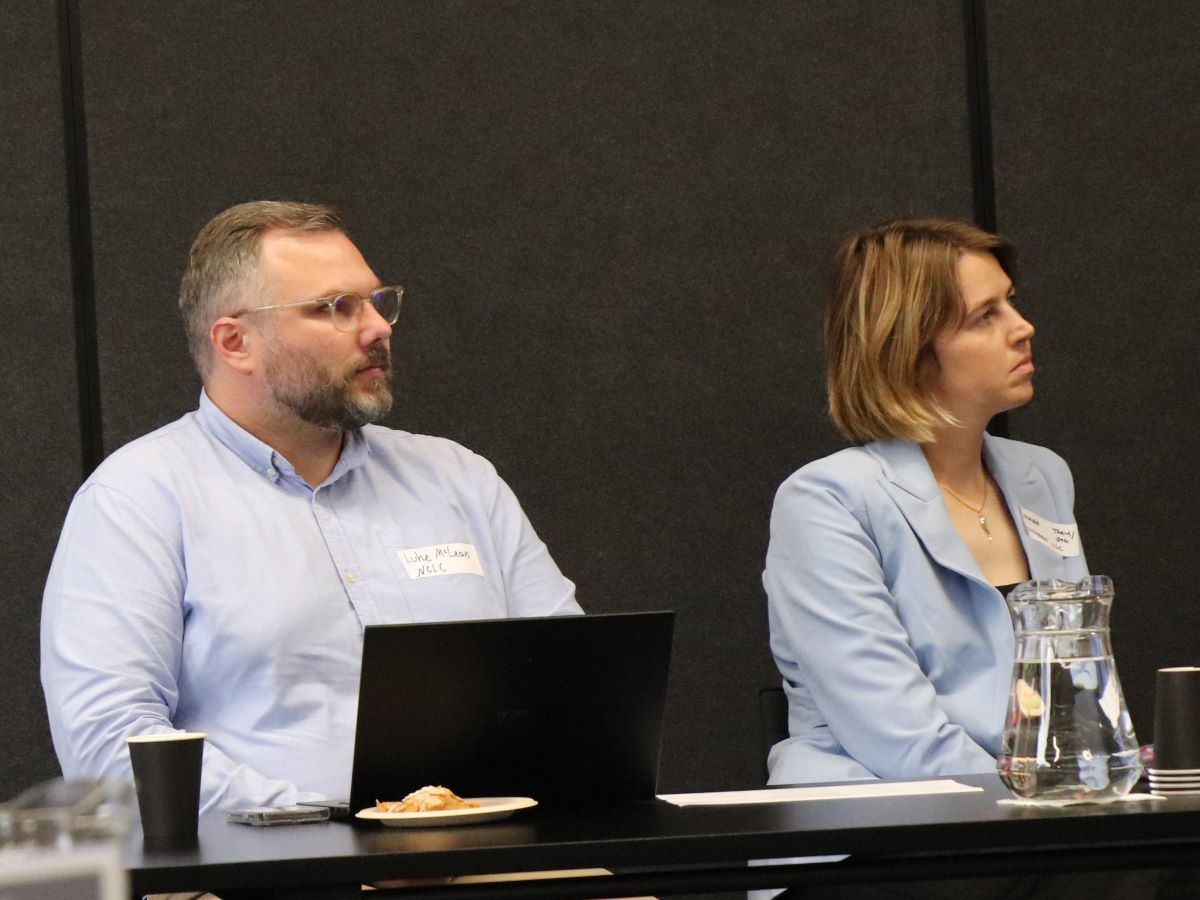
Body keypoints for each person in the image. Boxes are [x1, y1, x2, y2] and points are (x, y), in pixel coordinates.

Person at [41, 201, 581, 814]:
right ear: (235, 342)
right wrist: (334, 828)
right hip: (271, 871)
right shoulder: (137, 501)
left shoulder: (459, 480)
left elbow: (579, 689)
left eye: (378, 301)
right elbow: (110, 748)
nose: (379, 327)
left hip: (499, 850)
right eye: (336, 308)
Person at [764, 217, 1088, 786]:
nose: (1023, 327)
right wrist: (1039, 812)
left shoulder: (1042, 475)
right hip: (880, 828)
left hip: (1031, 820)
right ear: (909, 350)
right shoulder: (827, 500)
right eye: (986, 316)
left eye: (1011, 304)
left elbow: (1077, 691)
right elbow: (901, 741)